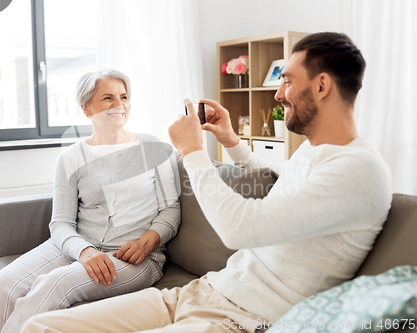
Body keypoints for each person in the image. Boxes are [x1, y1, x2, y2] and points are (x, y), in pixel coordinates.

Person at [21, 32, 392, 333]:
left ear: (322, 85)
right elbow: (274, 173)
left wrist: (193, 152)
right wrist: (230, 139)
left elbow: (239, 229)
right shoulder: (315, 153)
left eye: (288, 82)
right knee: (40, 327)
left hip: (243, 318)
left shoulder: (359, 170)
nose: (279, 94)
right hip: (201, 292)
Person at [0, 69, 181, 333]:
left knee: (53, 284)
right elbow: (61, 223)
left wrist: (147, 241)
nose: (119, 105)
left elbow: (171, 209)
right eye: (107, 98)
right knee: (1, 283)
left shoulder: (153, 147)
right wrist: (85, 252)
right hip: (79, 247)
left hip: (135, 258)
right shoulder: (71, 158)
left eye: (124, 97)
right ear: (86, 108)